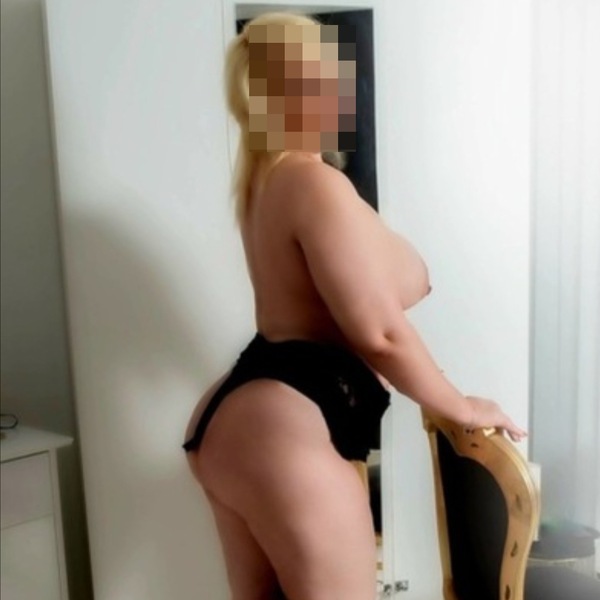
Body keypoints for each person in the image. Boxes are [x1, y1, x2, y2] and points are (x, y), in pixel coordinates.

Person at [182, 11, 526, 600]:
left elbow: (389, 285)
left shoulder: (268, 181)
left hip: (243, 420)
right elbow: (380, 331)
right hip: (283, 429)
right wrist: (461, 405)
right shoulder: (313, 185)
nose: (344, 90)